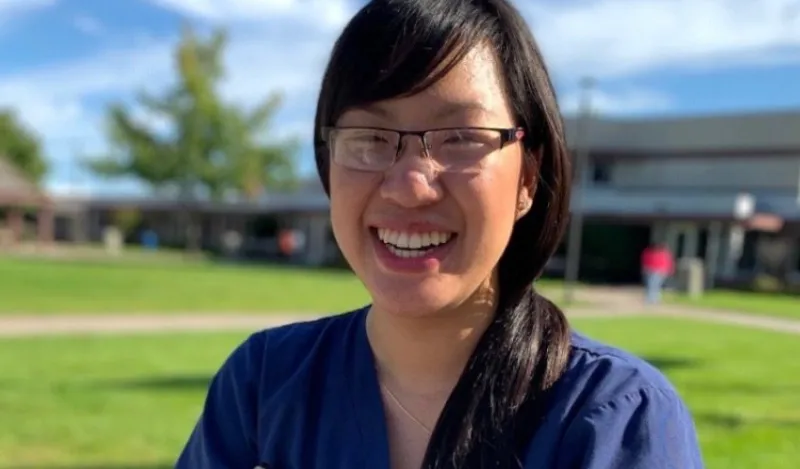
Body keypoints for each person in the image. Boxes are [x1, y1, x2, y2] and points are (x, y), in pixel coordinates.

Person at [175, 1, 704, 468]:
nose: (409, 187)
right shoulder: (263, 385)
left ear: (526, 178)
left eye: (459, 138)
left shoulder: (615, 417)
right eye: (369, 138)